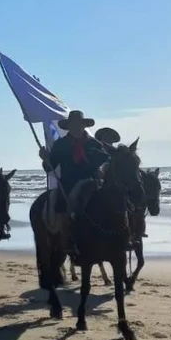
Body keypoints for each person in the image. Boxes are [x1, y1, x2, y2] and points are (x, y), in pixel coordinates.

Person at [38, 110, 110, 260]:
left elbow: (105, 160)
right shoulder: (61, 144)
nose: (76, 127)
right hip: (68, 183)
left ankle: (116, 236)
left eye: (79, 124)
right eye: (73, 125)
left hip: (92, 182)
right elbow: (50, 166)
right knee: (63, 207)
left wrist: (98, 168)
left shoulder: (94, 143)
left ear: (83, 125)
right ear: (69, 126)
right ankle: (67, 239)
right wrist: (45, 159)